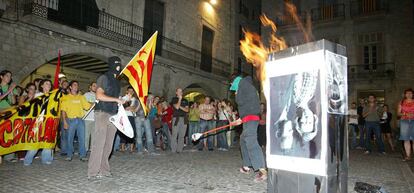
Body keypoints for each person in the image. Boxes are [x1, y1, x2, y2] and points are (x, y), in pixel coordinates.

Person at [87, 56, 124, 179]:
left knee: (108, 145)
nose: (118, 66)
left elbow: (115, 99)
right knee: (99, 143)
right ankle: (92, 172)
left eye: (119, 64)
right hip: (102, 113)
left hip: (113, 115)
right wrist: (116, 99)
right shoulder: (104, 77)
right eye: (116, 64)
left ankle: (104, 170)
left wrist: (122, 100)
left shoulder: (118, 82)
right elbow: (99, 95)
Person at [230, 75, 267, 182]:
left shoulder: (243, 85)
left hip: (251, 118)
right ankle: (246, 166)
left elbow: (241, 102)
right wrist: (240, 119)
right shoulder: (247, 86)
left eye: (232, 84)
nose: (232, 87)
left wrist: (237, 93)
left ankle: (262, 170)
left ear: (235, 81)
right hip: (248, 118)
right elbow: (247, 105)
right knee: (243, 140)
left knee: (250, 140)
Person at [24, 79, 54, 166]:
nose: (49, 85)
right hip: (38, 120)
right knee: (35, 140)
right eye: (46, 83)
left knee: (47, 139)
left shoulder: (52, 96)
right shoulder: (37, 95)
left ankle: (46, 158)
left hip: (49, 120)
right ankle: (28, 159)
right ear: (42, 86)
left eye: (49, 84)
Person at [61, 81, 91, 161]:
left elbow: (87, 106)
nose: (76, 86)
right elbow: (63, 110)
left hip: (80, 120)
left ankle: (82, 155)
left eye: (77, 85)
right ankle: (69, 154)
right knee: (69, 138)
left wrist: (96, 102)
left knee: (82, 138)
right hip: (70, 120)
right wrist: (64, 121)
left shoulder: (81, 97)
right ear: (70, 87)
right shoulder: (65, 97)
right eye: (74, 85)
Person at [170, 88, 189, 153]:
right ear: (176, 93)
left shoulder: (185, 100)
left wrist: (180, 106)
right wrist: (180, 99)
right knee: (174, 134)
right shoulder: (174, 99)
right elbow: (177, 107)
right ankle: (173, 150)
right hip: (176, 119)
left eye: (181, 91)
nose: (180, 92)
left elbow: (187, 110)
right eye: (179, 91)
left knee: (182, 135)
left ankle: (179, 149)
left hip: (184, 119)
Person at [398, 88, 414, 161]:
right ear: (405, 94)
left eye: (410, 93)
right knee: (406, 139)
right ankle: (408, 156)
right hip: (404, 121)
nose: (409, 94)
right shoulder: (401, 102)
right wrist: (404, 113)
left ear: (412, 94)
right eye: (407, 93)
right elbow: (398, 113)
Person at [120, 86, 137, 152]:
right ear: (127, 91)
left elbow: (134, 109)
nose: (130, 92)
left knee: (132, 131)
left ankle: (131, 148)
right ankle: (122, 148)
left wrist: (130, 107)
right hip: (124, 116)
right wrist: (130, 107)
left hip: (131, 116)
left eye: (132, 91)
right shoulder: (123, 98)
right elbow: (126, 108)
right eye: (129, 91)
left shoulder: (134, 99)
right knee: (124, 131)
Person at [83, 82, 97, 152]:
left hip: (95, 118)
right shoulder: (86, 94)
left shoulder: (98, 96)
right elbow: (86, 104)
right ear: (90, 87)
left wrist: (93, 105)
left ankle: (92, 149)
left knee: (94, 136)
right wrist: (94, 104)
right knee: (86, 135)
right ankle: (85, 149)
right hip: (87, 118)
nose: (95, 87)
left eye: (96, 86)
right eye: (94, 86)